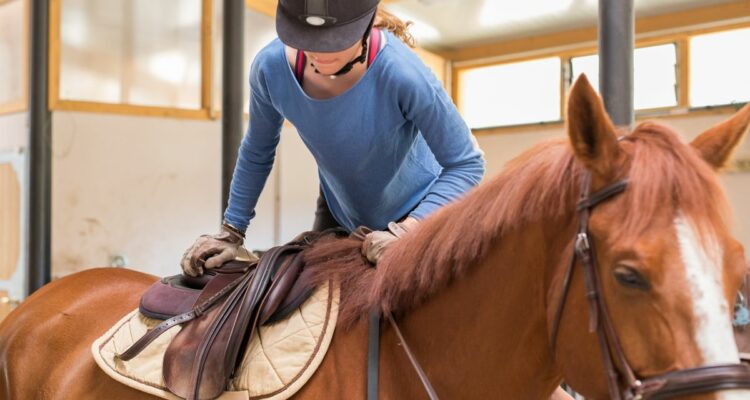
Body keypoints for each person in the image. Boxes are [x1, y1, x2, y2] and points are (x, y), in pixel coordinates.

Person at [180, 0, 484, 277]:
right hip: (340, 208)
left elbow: (467, 164)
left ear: (364, 28)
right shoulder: (270, 68)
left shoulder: (404, 73)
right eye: (308, 41)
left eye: (335, 43)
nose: (321, 54)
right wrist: (232, 231)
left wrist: (407, 231)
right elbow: (257, 151)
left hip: (423, 211)